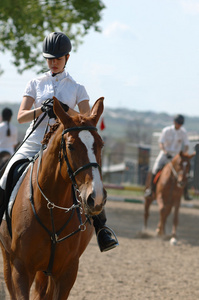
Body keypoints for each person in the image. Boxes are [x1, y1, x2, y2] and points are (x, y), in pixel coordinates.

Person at [0, 32, 118, 252]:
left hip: (65, 146)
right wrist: (40, 109)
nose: (53, 63)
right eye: (49, 59)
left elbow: (86, 119)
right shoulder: (35, 83)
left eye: (58, 58)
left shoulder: (77, 88)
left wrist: (65, 109)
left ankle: (102, 229)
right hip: (34, 142)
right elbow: (21, 116)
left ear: (67, 58)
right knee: (7, 175)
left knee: (90, 178)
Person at [145, 114, 192, 200]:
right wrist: (165, 152)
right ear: (174, 122)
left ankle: (186, 193)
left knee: (184, 171)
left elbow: (186, 145)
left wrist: (184, 153)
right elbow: (161, 143)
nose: (179, 125)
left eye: (181, 124)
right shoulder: (166, 131)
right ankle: (151, 189)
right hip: (165, 154)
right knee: (155, 168)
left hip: (177, 156)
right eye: (178, 123)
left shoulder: (183, 132)